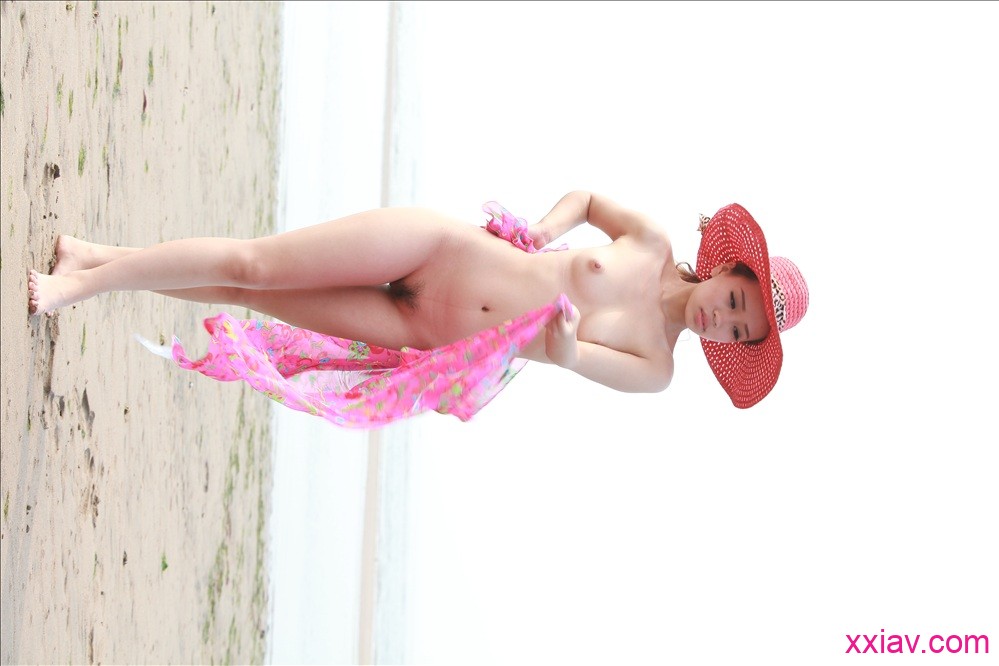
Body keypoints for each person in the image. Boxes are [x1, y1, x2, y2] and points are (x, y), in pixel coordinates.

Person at [27, 191, 809, 425]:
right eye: (734, 301)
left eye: (737, 329)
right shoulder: (650, 240)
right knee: (252, 264)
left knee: (247, 296)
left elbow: (576, 361)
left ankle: (95, 258)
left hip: (427, 334)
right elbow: (587, 199)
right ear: (725, 268)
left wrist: (565, 342)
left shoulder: (656, 368)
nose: (722, 320)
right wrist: (546, 229)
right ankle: (81, 283)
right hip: (438, 250)